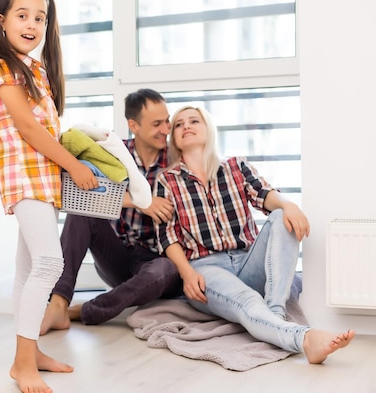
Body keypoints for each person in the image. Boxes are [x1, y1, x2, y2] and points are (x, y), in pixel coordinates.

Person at [155, 105, 354, 364]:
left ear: (208, 129)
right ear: (174, 138)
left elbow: (265, 194)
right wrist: (187, 273)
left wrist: (288, 204)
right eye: (179, 124)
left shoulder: (235, 166)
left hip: (248, 260)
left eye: (194, 121)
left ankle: (274, 313)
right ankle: (305, 338)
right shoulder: (166, 181)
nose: (186, 127)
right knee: (248, 300)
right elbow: (167, 235)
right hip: (206, 269)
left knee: (282, 215)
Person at [0, 0, 98, 393]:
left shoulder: (35, 70)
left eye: (40, 17)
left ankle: (31, 356)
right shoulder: (3, 68)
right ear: (2, 21)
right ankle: (22, 361)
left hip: (43, 180)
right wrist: (75, 167)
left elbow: (50, 129)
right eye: (22, 15)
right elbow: (28, 129)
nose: (32, 24)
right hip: (24, 177)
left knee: (28, 269)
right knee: (51, 263)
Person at [41, 88, 182, 335]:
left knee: (164, 269)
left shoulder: (177, 159)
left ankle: (83, 310)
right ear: (133, 125)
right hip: (116, 255)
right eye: (157, 123)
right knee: (82, 212)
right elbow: (87, 192)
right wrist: (141, 201)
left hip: (155, 261)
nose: (166, 129)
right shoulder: (114, 153)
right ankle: (59, 303)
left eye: (167, 121)